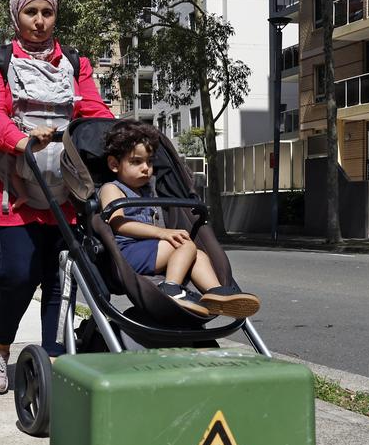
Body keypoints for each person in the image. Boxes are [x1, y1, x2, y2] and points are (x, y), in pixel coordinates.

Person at [0, 0, 113, 394]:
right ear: (16, 16)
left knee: (60, 277)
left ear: (55, 16)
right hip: (12, 191)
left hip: (64, 192)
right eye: (30, 12)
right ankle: (0, 350)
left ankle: (53, 358)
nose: (39, 21)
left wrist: (121, 136)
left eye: (47, 12)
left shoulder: (75, 61)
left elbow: (93, 108)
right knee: (19, 274)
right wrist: (22, 141)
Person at [100, 120, 261, 319]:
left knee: (198, 254)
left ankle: (216, 293)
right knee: (185, 246)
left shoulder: (145, 192)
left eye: (149, 162)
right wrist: (162, 232)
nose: (146, 168)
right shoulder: (111, 188)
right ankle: (171, 288)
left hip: (150, 250)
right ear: (114, 164)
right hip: (127, 253)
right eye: (136, 162)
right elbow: (118, 223)